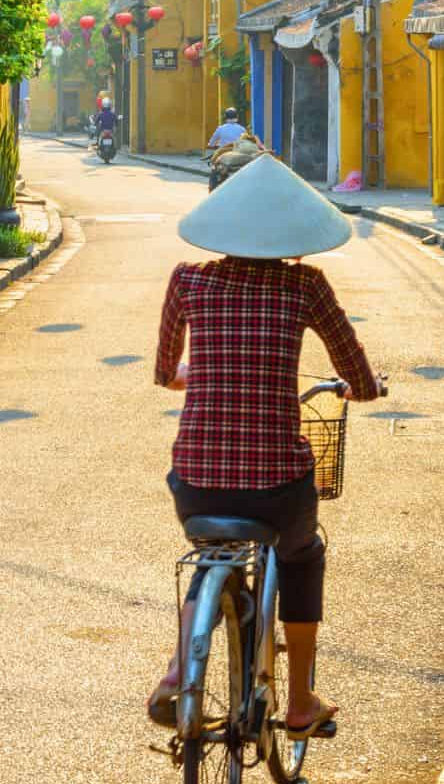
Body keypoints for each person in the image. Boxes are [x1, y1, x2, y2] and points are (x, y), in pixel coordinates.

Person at [149, 156, 384, 739]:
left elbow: (164, 371)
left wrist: (189, 374)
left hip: (197, 481)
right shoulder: (304, 284)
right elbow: (353, 366)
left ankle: (180, 669)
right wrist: (365, 388)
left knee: (211, 552)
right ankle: (301, 701)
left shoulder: (188, 279)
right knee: (303, 556)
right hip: (277, 488)